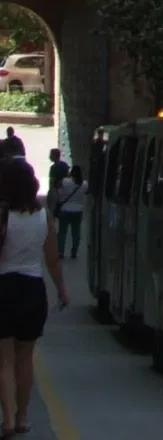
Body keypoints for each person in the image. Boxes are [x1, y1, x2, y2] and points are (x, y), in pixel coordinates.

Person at [0, 160, 67, 436]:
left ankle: (8, 420)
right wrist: (62, 289)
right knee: (25, 358)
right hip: (32, 289)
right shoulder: (45, 217)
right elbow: (51, 258)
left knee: (4, 360)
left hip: (3, 287)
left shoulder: (3, 215)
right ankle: (24, 415)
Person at [50, 169, 83, 262]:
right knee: (76, 233)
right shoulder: (84, 184)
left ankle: (61, 252)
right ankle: (74, 252)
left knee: (62, 233)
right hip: (78, 211)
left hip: (64, 211)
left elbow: (57, 189)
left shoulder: (64, 181)